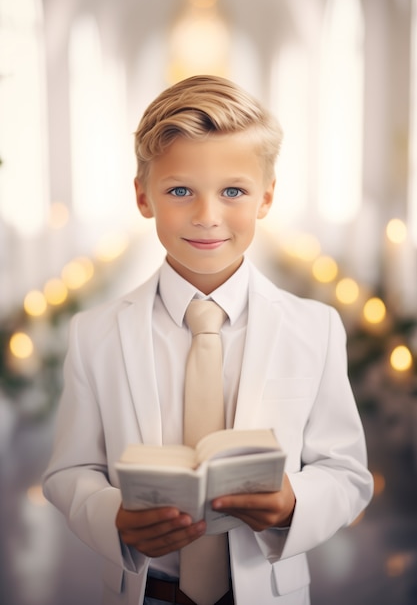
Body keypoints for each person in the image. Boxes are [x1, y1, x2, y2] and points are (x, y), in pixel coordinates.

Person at [43, 75, 374, 605]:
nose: (206, 216)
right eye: (179, 190)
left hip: (269, 591)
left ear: (266, 197)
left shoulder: (314, 327)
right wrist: (116, 519)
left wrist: (293, 504)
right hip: (148, 591)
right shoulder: (95, 333)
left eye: (233, 191)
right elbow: (70, 470)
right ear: (142, 197)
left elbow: (347, 473)